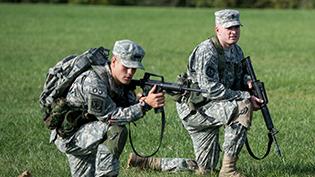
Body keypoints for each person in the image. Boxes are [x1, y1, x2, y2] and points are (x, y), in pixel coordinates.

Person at [127, 9, 263, 177]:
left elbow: (237, 75)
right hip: (196, 109)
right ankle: (228, 171)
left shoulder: (236, 51)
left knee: (205, 169)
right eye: (228, 28)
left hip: (212, 107)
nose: (233, 32)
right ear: (217, 29)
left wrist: (247, 81)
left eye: (236, 27)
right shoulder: (207, 51)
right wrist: (245, 96)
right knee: (243, 106)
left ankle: (146, 162)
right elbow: (210, 89)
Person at [51, 39, 165, 177]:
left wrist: (138, 101)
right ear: (114, 61)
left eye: (134, 68)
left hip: (88, 132)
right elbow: (111, 117)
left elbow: (123, 103)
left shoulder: (120, 81)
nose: (130, 72)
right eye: (126, 66)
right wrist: (144, 105)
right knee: (116, 129)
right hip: (71, 137)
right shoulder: (93, 81)